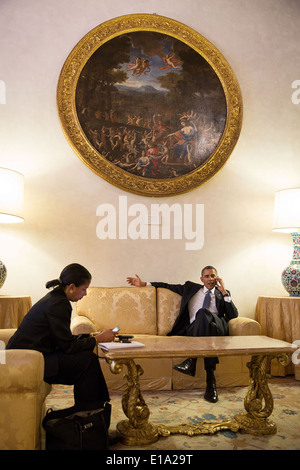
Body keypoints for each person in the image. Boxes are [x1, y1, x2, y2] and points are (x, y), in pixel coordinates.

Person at [6, 263, 116, 411]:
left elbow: (62, 339)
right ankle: (89, 414)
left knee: (86, 358)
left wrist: (91, 336)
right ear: (71, 287)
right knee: (87, 361)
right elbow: (68, 347)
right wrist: (97, 340)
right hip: (27, 363)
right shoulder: (58, 304)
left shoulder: (56, 297)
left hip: (31, 357)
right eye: (83, 289)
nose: (85, 294)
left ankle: (91, 411)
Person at [126, 266, 238, 403]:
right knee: (201, 316)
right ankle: (210, 380)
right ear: (201, 279)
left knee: (203, 313)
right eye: (207, 276)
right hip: (193, 329)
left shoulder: (223, 293)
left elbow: (233, 316)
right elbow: (166, 285)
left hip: (216, 327)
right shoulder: (190, 288)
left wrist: (224, 292)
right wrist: (144, 284)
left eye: (213, 276)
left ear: (217, 278)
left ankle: (192, 360)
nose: (210, 279)